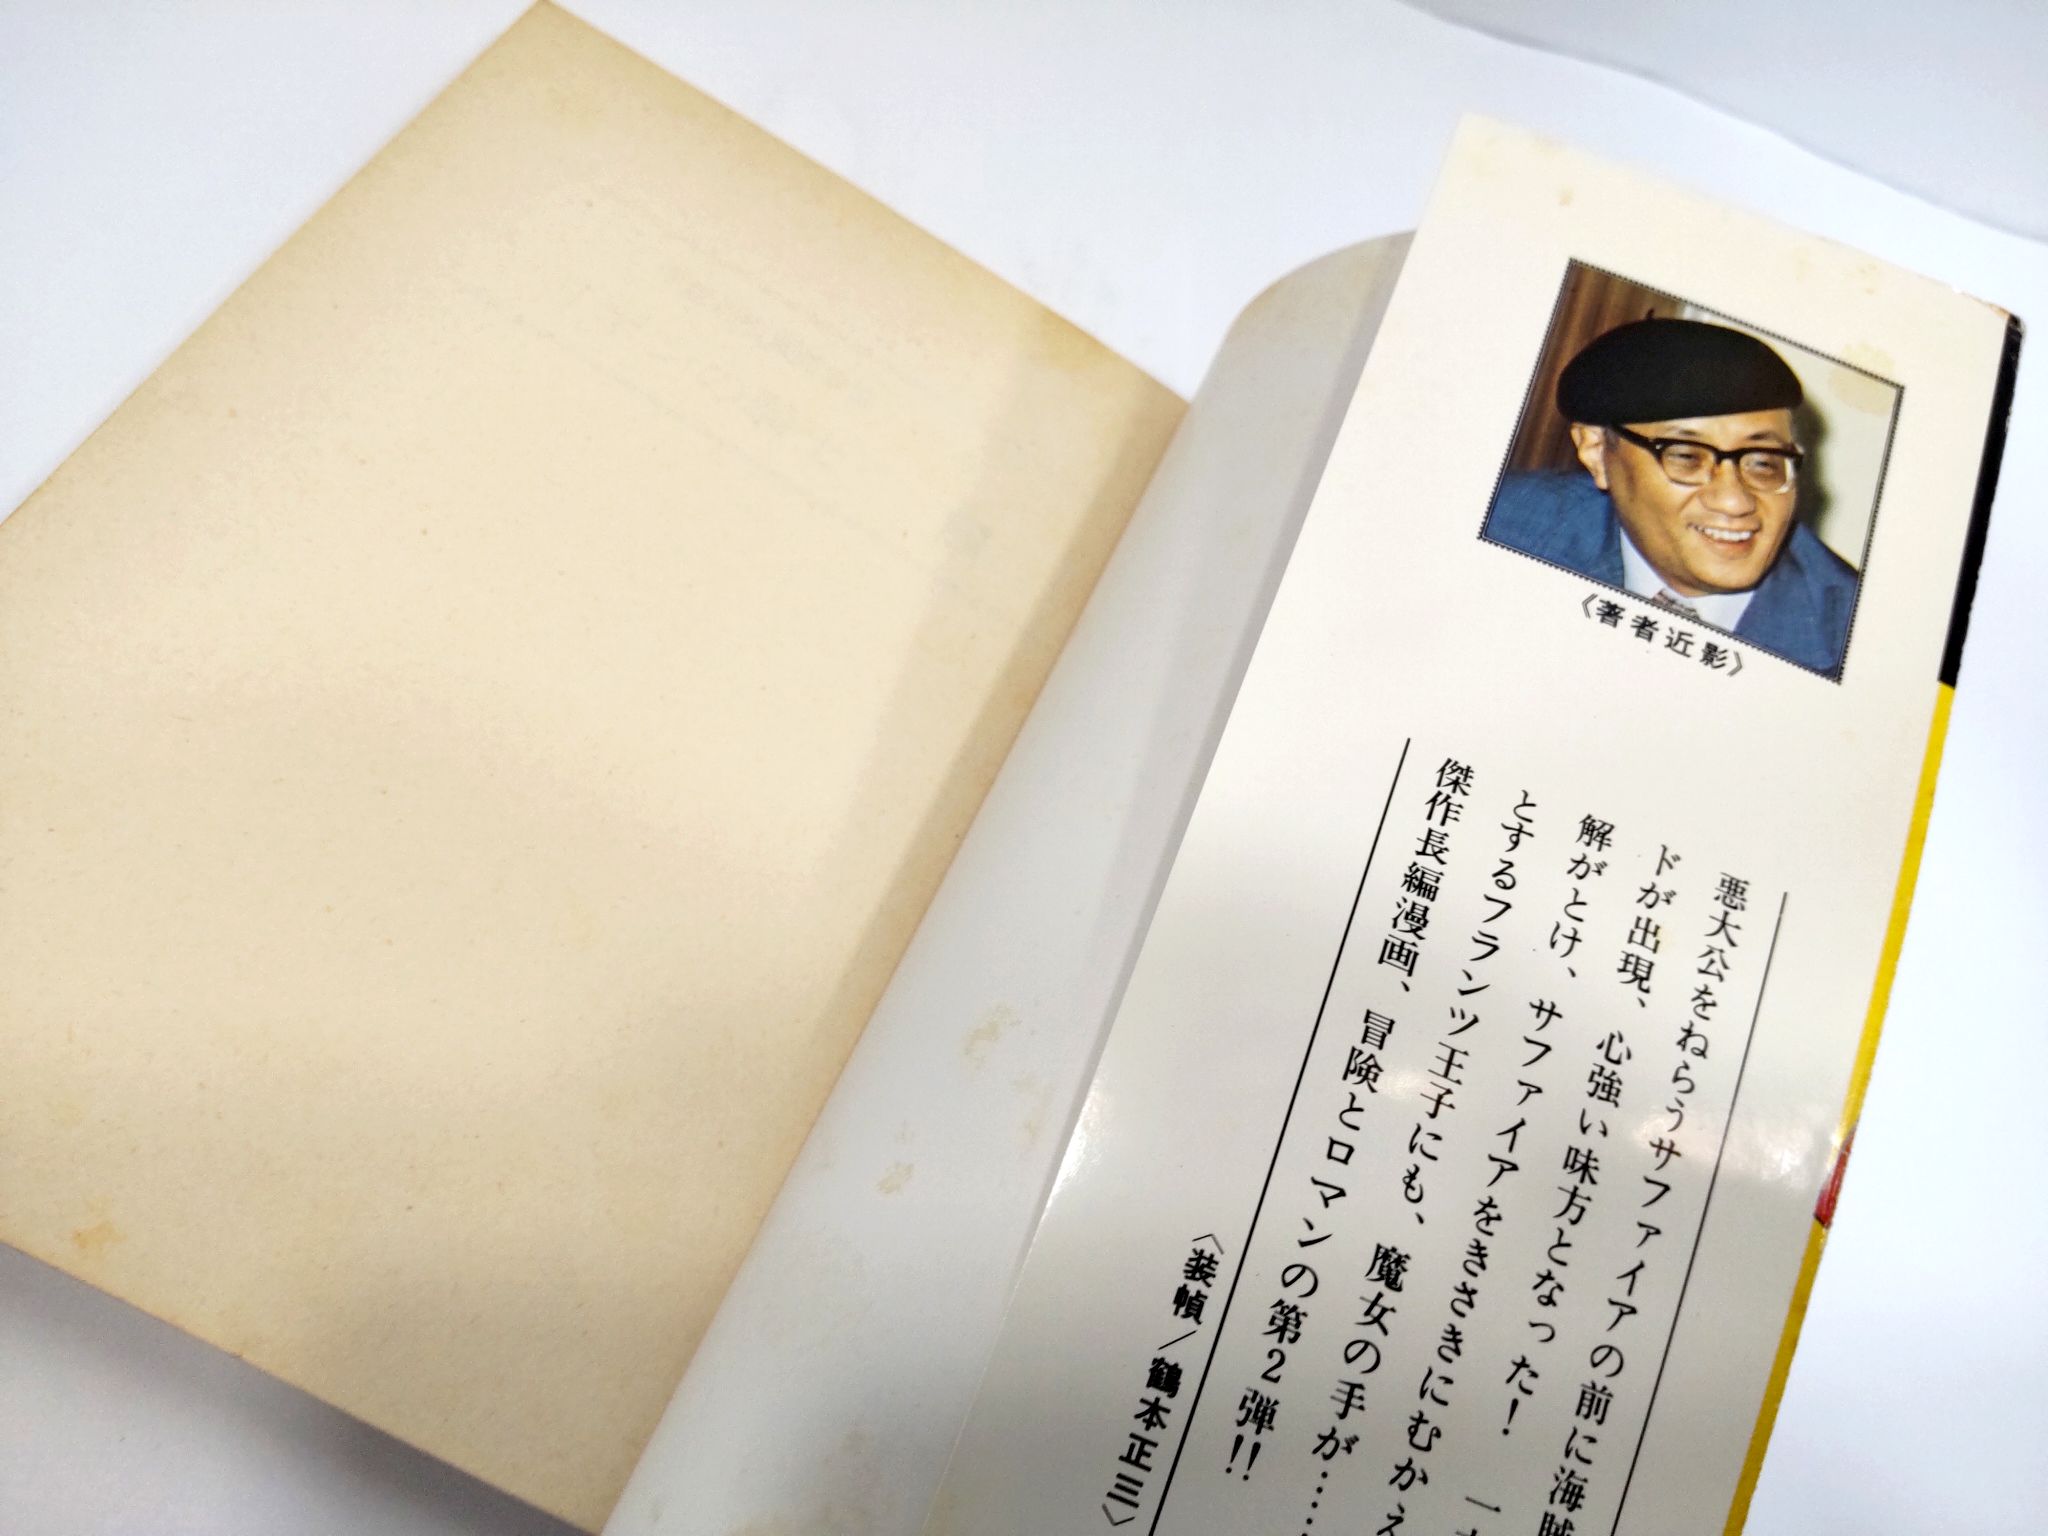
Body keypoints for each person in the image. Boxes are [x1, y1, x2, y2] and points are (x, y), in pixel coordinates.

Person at [1486, 317, 1859, 676]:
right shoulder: (1501, 520)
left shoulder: (1852, 639)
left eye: (1763, 463)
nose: (1735, 502)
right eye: (1686, 457)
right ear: (1597, 451)